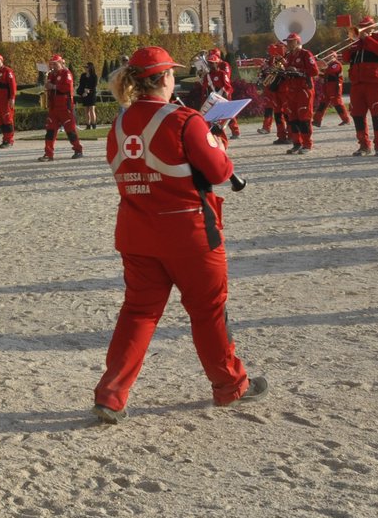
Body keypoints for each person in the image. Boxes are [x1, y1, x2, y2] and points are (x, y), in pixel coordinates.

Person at [92, 46, 267, 423]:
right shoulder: (184, 120)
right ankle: (230, 385)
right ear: (164, 79)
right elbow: (219, 172)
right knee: (208, 312)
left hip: (137, 232)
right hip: (189, 232)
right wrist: (217, 142)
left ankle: (111, 394)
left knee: (138, 313)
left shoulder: (119, 124)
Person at [343, 16, 378, 156]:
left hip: (376, 82)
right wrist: (350, 44)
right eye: (360, 26)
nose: (361, 28)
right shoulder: (357, 42)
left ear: (373, 26)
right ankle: (364, 145)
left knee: (377, 114)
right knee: (357, 115)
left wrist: (367, 38)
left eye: (365, 26)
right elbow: (346, 58)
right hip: (358, 83)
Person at [38, 53, 85, 160]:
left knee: (70, 130)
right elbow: (49, 86)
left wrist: (53, 86)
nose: (53, 66)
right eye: (52, 64)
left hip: (65, 106)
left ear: (60, 63)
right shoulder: (51, 75)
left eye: (55, 64)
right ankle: (48, 153)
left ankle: (78, 150)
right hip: (54, 107)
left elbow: (67, 88)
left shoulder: (66, 73)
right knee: (50, 131)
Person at [279, 33, 320, 154]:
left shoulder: (305, 54)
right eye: (287, 42)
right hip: (292, 90)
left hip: (304, 90)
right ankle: (297, 143)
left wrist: (298, 70)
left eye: (291, 42)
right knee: (293, 118)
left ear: (297, 42)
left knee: (304, 118)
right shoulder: (289, 56)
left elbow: (314, 71)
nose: (288, 44)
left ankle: (307, 144)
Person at [203, 50, 239, 138]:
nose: (211, 65)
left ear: (216, 63)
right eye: (209, 63)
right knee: (214, 116)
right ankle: (217, 132)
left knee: (229, 114)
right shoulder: (207, 75)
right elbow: (204, 88)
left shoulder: (223, 71)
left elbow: (227, 85)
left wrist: (225, 94)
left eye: (212, 63)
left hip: (223, 95)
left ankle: (235, 131)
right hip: (213, 97)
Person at [0, 53, 18, 148]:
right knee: (1, 121)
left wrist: (12, 98)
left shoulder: (7, 71)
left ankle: (9, 140)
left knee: (8, 120)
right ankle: (5, 139)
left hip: (5, 101)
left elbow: (12, 86)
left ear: (1, 61)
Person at [312, 55, 351, 127]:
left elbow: (329, 71)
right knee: (323, 104)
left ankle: (346, 119)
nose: (328, 58)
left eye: (330, 56)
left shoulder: (336, 64)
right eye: (328, 56)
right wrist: (319, 73)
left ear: (334, 57)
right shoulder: (329, 65)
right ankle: (317, 120)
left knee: (337, 103)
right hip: (327, 85)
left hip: (334, 86)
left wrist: (320, 68)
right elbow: (324, 74)